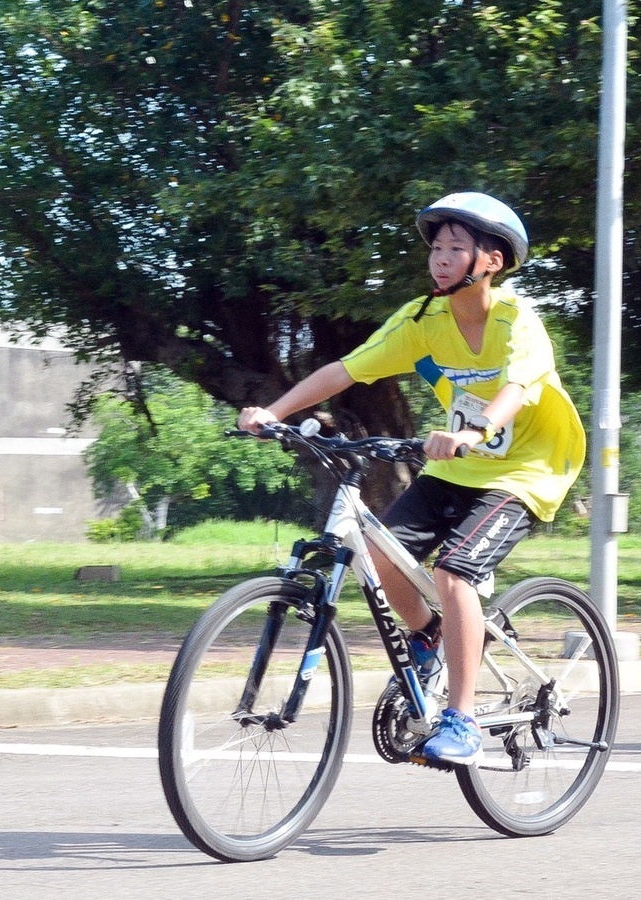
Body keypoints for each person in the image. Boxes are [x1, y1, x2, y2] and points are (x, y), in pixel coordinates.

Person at [238, 192, 585, 765]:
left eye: (456, 248)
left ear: (491, 261)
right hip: (457, 465)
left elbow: (516, 390)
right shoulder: (423, 320)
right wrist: (274, 412)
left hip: (528, 469)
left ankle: (463, 720)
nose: (440, 259)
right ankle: (427, 636)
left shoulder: (515, 320)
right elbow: (344, 371)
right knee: (378, 551)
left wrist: (474, 432)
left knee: (454, 570)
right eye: (436, 248)